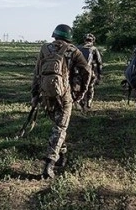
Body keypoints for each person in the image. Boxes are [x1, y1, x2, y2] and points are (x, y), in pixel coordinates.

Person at [30, 24, 91, 179]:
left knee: (58, 127)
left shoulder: (44, 49)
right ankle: (49, 163)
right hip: (64, 95)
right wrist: (81, 93)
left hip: (46, 95)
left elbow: (37, 73)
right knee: (60, 128)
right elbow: (87, 72)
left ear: (55, 35)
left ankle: (62, 157)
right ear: (69, 37)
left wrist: (35, 95)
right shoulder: (73, 51)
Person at [75, 33, 103, 109]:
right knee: (90, 86)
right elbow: (99, 62)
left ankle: (80, 101)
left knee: (79, 86)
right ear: (93, 40)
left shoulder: (78, 48)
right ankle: (89, 102)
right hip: (90, 71)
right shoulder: (94, 49)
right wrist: (100, 74)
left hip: (78, 71)